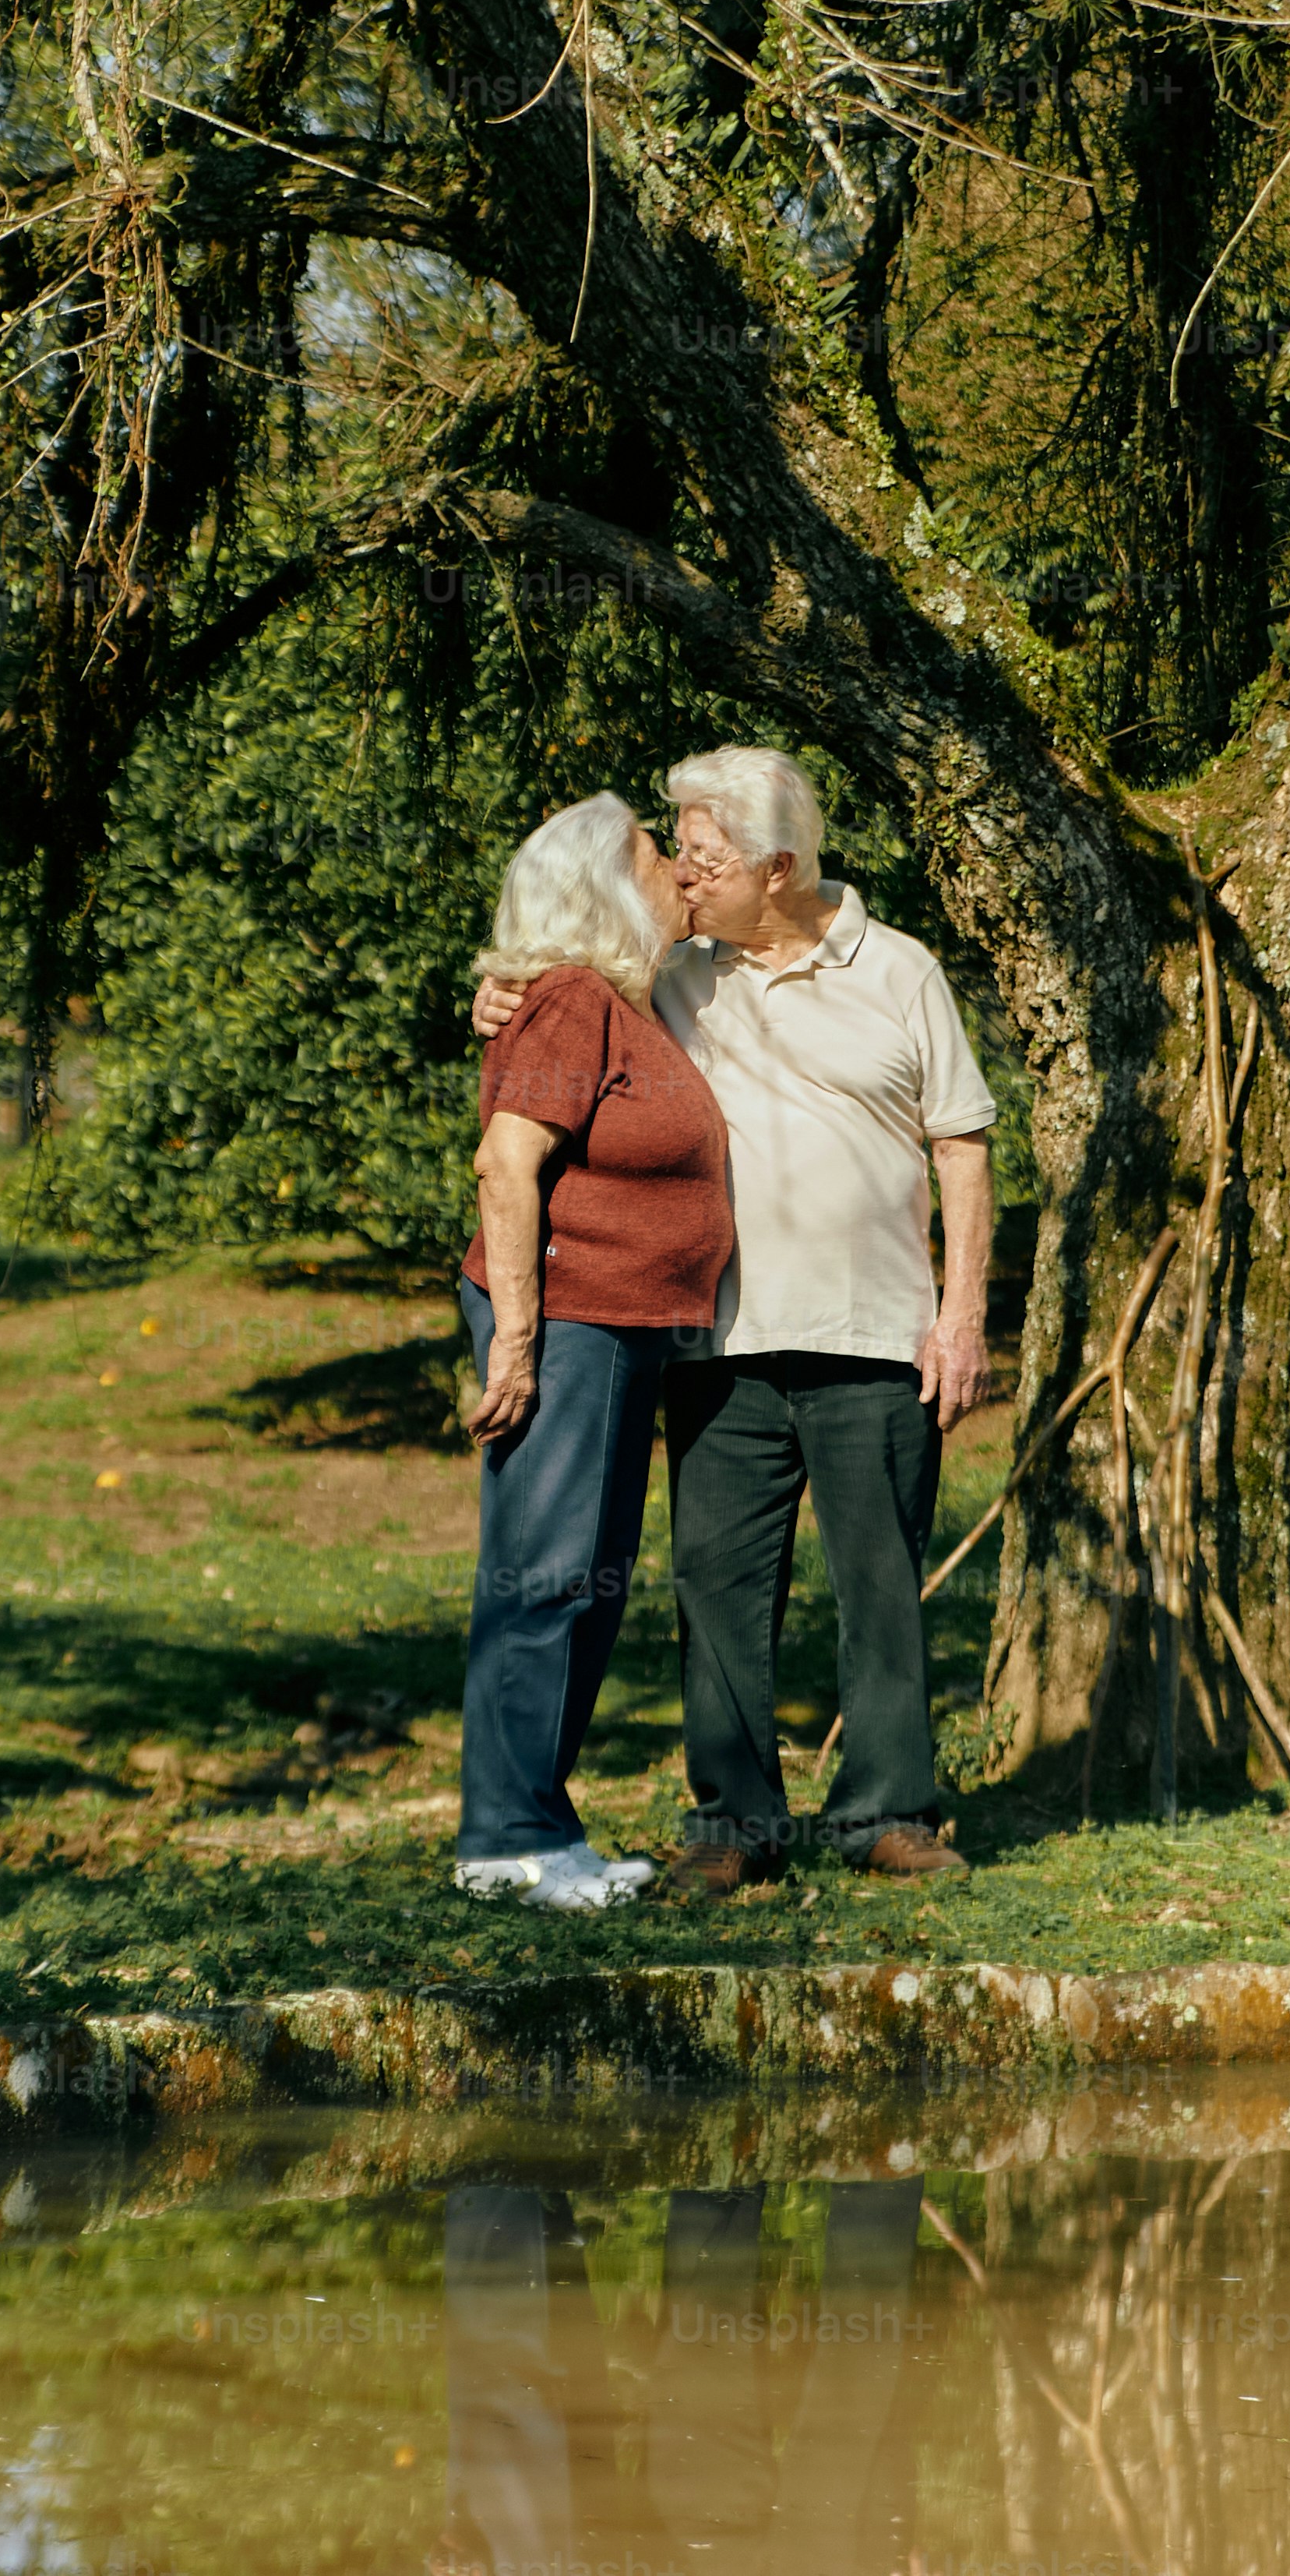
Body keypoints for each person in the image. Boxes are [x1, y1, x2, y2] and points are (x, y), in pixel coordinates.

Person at [477, 745, 996, 1893]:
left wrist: (960, 1316)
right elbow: (560, 1004)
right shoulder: (674, 973)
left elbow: (961, 1145)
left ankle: (888, 1814)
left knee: (879, 1583)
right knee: (714, 1585)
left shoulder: (903, 970)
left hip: (877, 1335)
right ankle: (733, 1824)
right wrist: (498, 991)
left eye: (707, 860)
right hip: (718, 1340)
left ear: (780, 864)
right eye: (681, 857)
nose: (687, 878)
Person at [455, 791, 735, 1911]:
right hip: (564, 1322)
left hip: (616, 1332)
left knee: (587, 1577)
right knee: (546, 1572)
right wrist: (517, 1345)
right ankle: (506, 1838)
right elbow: (503, 1166)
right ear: (608, 887)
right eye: (654, 851)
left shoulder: (618, 1000)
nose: (675, 864)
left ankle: (539, 1826)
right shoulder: (574, 1000)